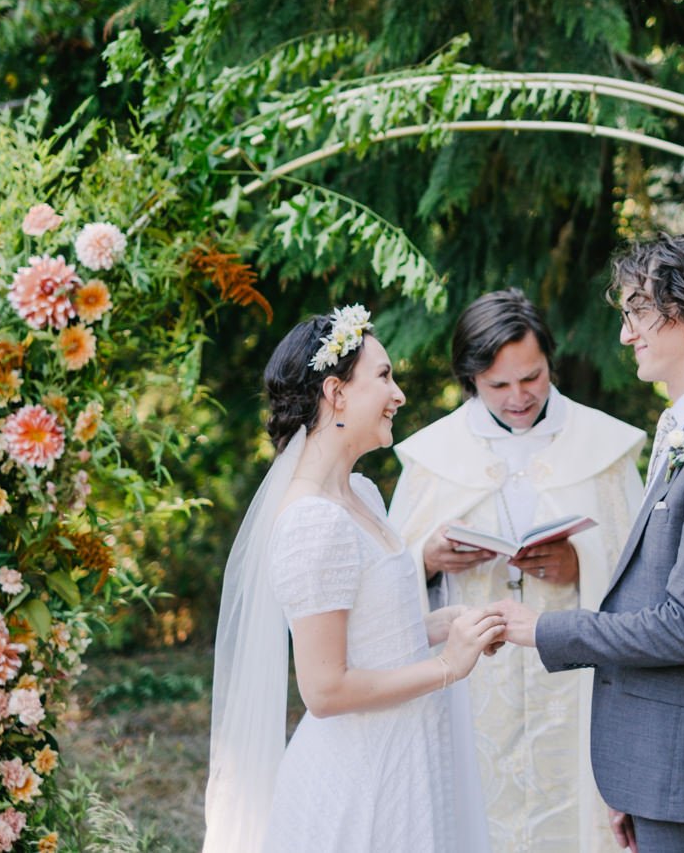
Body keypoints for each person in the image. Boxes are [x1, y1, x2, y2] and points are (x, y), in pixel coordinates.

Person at [496, 230, 684, 853]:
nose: (627, 334)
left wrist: (546, 628)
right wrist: (632, 779)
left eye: (637, 311)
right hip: (660, 768)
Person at [202, 304, 506, 852]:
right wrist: (447, 666)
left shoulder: (361, 494)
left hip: (409, 749)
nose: (399, 396)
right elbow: (324, 689)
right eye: (385, 377)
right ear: (336, 394)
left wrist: (445, 624)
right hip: (362, 775)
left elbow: (375, 632)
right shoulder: (312, 519)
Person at [390, 289, 646, 852]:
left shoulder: (604, 447)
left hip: (576, 680)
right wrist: (428, 561)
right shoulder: (433, 457)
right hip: (469, 684)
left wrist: (581, 563)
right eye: (497, 385)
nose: (518, 398)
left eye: (531, 378)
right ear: (470, 379)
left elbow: (642, 571)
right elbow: (385, 582)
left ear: (549, 361)